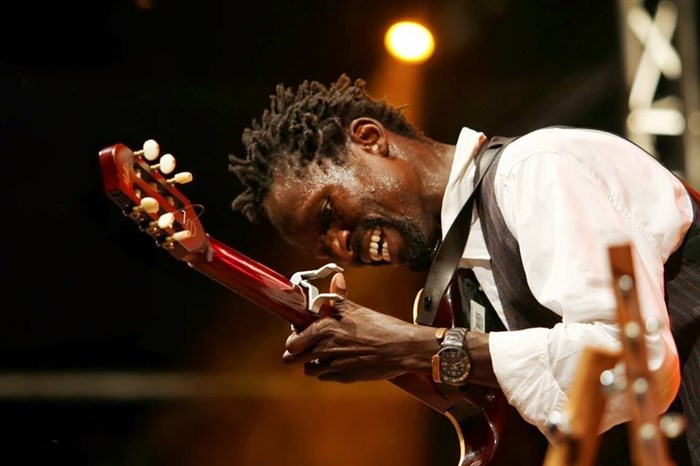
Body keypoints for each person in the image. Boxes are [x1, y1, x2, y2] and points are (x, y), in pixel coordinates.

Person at [227, 74, 699, 465]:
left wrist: (414, 346)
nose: (342, 248)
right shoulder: (461, 283)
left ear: (369, 138)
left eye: (328, 214)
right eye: (324, 248)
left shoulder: (535, 169)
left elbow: (632, 361)